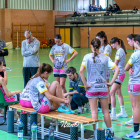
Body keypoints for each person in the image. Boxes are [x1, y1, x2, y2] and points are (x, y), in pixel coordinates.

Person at [80, 38, 120, 139]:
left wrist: (85, 84)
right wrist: (111, 82)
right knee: (106, 111)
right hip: (103, 88)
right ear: (100, 47)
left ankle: (96, 135)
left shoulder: (87, 57)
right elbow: (117, 69)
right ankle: (110, 132)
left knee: (94, 112)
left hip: (92, 88)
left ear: (91, 46)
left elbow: (81, 71)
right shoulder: (105, 57)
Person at [125, 35, 140, 138]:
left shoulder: (136, 54)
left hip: (135, 82)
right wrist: (131, 68)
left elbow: (126, 67)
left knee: (135, 107)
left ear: (137, 42)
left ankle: (136, 131)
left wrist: (129, 68)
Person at [110, 37, 127, 120]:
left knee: (111, 92)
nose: (111, 45)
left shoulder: (119, 51)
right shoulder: (119, 51)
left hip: (119, 75)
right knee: (118, 92)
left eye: (112, 43)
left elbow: (114, 64)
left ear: (116, 43)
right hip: (118, 74)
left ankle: (113, 114)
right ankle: (123, 112)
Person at [96, 31, 112, 112]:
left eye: (99, 39)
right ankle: (99, 106)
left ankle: (108, 107)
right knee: (99, 87)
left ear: (103, 38)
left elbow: (104, 58)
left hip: (105, 70)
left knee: (106, 88)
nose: (98, 41)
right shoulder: (99, 47)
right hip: (98, 70)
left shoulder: (107, 47)